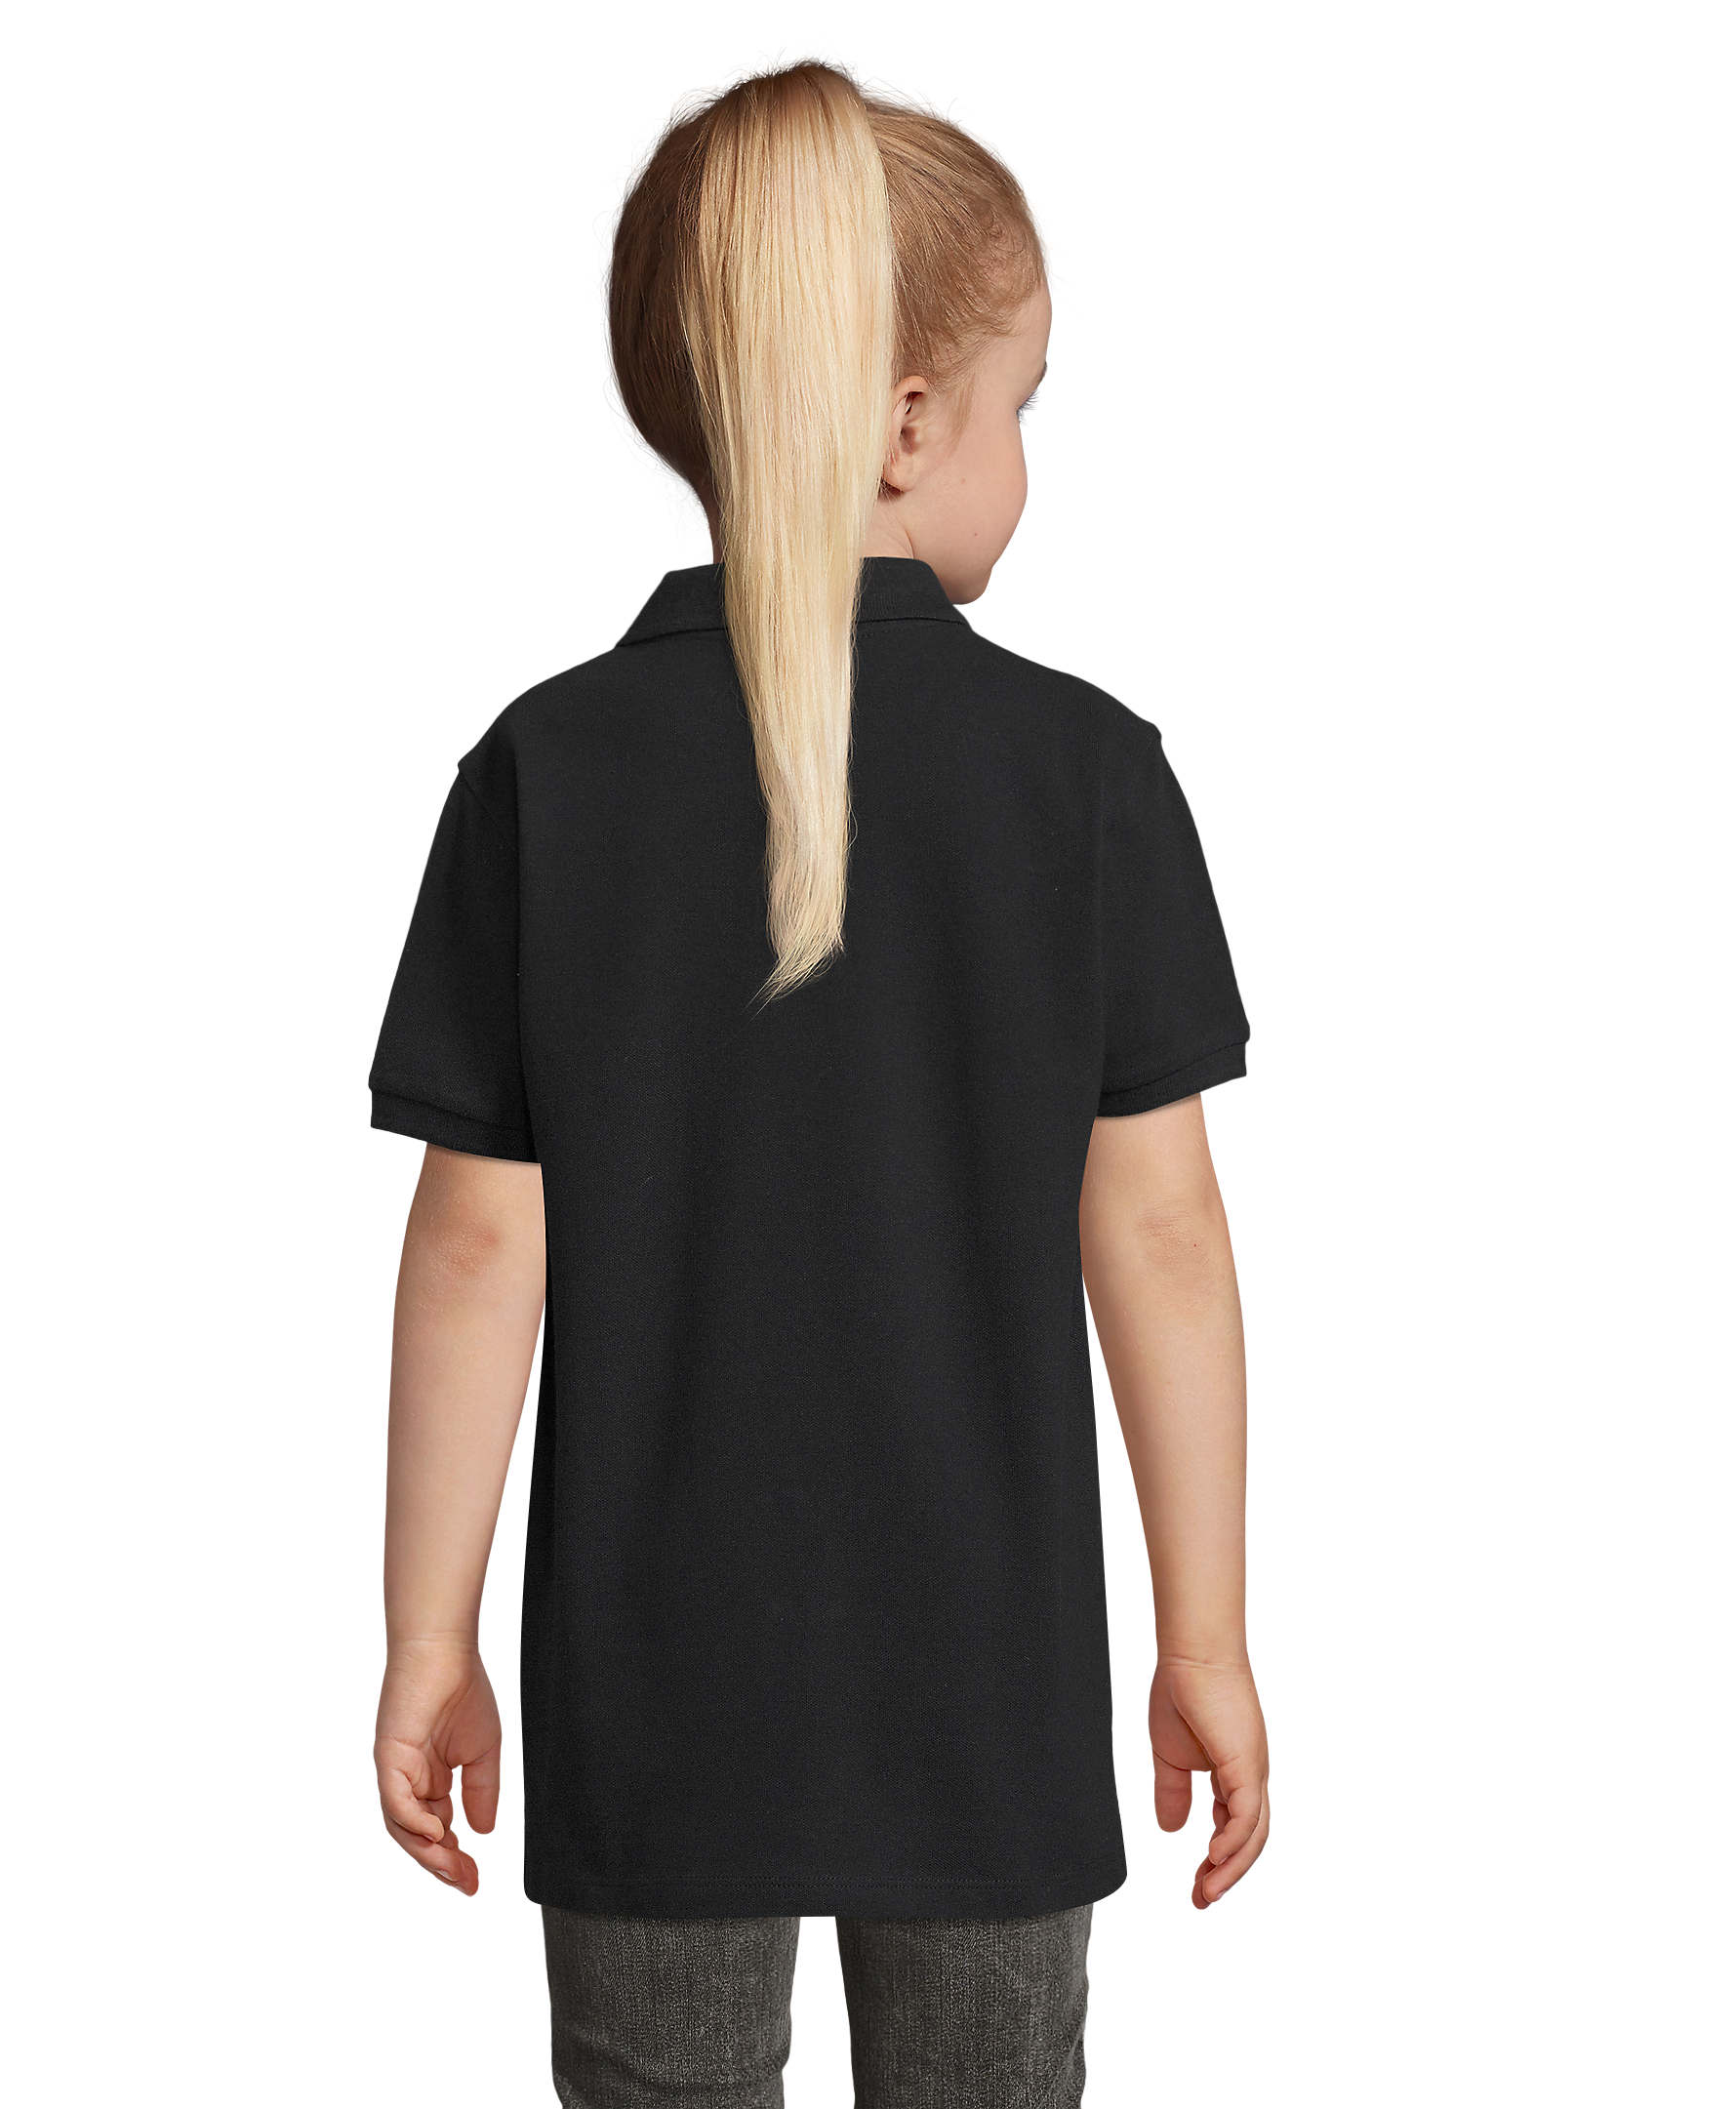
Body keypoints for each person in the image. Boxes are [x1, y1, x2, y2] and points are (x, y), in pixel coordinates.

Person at [369, 60, 1269, 2108]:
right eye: (1025, 404)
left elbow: (476, 1247)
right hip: (987, 1691)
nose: (1026, 459)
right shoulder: (1084, 779)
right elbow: (1161, 1239)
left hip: (652, 1690)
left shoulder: (544, 774)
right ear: (905, 424)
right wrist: (1203, 1634)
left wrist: (429, 1631)